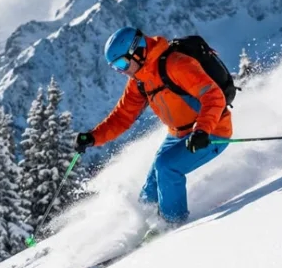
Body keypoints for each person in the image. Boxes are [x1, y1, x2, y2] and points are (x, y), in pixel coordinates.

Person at [74, 27, 233, 226]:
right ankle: (145, 226)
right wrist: (92, 137)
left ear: (138, 51)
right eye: (116, 67)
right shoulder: (140, 80)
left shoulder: (177, 65)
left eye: (122, 63)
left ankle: (172, 225)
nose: (122, 71)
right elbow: (123, 116)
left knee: (167, 167)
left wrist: (202, 130)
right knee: (149, 192)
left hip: (211, 130)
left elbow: (213, 96)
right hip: (178, 134)